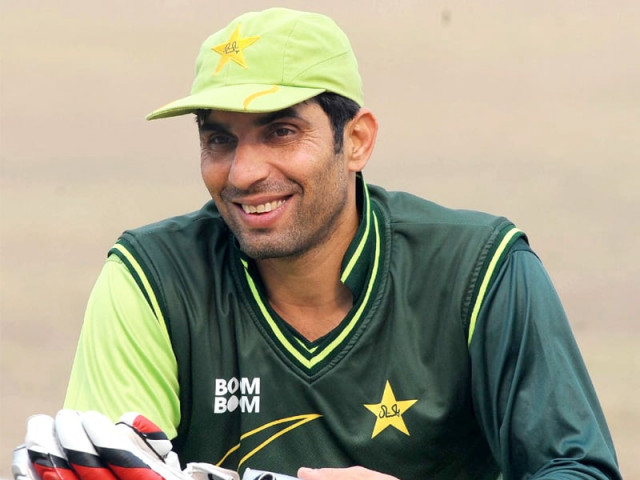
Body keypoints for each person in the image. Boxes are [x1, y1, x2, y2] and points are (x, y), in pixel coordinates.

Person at [28, 7, 621, 480]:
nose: (243, 174)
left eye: (281, 131)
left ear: (356, 141)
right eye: (218, 139)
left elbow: (579, 470)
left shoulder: (479, 270)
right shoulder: (152, 280)